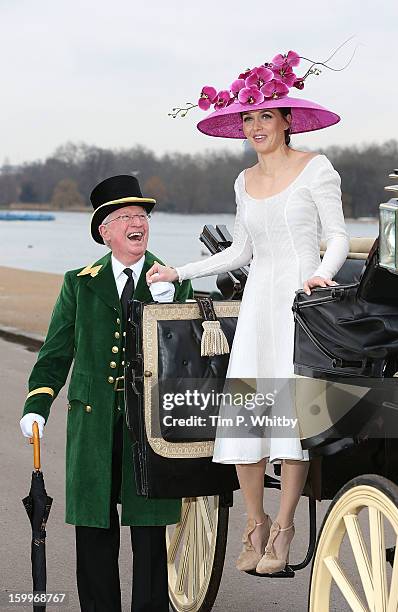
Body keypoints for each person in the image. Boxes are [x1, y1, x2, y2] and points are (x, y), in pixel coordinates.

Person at [146, 53, 350, 574]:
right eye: (247, 118)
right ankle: (253, 524)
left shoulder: (317, 168)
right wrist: (180, 272)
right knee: (247, 420)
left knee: (288, 420)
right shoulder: (242, 180)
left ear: (287, 120)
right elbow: (240, 251)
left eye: (266, 116)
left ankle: (283, 531)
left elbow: (339, 238)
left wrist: (322, 274)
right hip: (259, 299)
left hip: (299, 302)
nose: (256, 126)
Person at [19, 175, 193, 611]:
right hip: (93, 425)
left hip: (150, 427)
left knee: (151, 534)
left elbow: (188, 357)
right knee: (94, 531)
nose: (138, 223)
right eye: (126, 216)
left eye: (142, 215)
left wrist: (167, 305)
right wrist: (38, 403)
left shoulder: (171, 279)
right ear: (106, 231)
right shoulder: (79, 281)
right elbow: (56, 352)